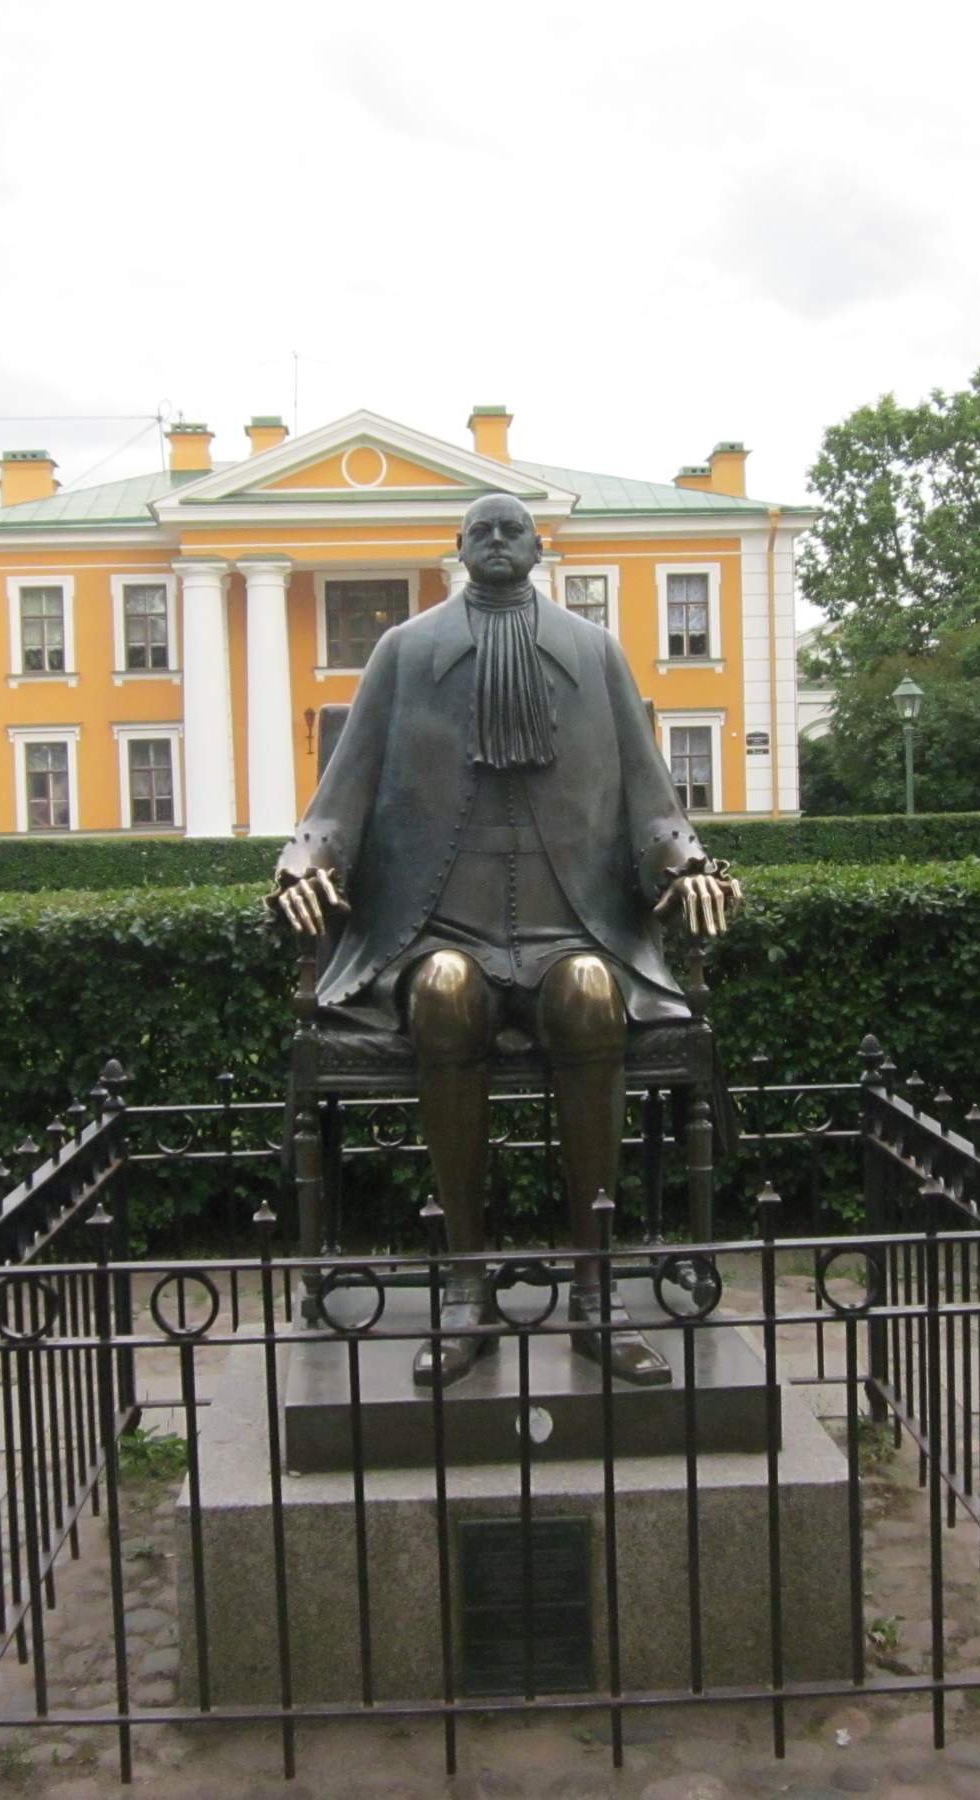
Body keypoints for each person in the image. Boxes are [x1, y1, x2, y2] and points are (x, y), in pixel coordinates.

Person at [273, 492, 738, 1388]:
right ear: (455, 547)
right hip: (434, 929)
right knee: (446, 994)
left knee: (591, 996)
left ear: (537, 546)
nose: (495, 538)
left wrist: (689, 869)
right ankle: (464, 1289)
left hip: (575, 928)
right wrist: (302, 869)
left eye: (511, 527)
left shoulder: (594, 653)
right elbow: (338, 799)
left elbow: (652, 805)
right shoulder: (403, 654)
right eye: (479, 528)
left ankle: (596, 1294)